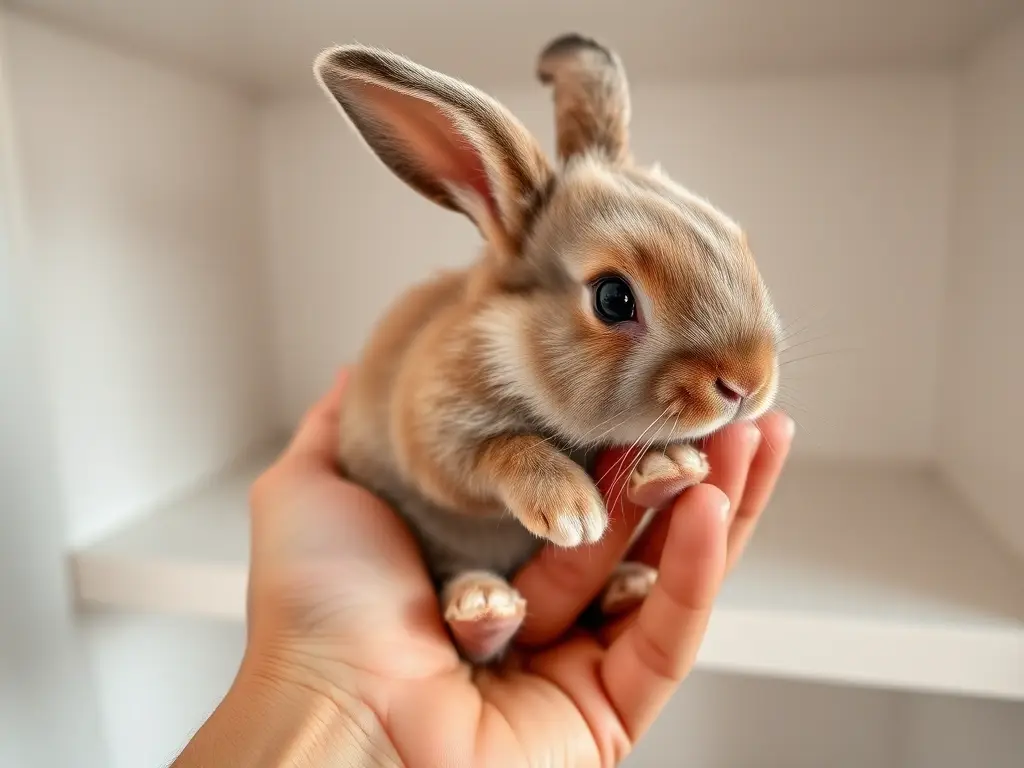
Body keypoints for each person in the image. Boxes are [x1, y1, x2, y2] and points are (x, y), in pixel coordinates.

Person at [172, 368, 794, 767]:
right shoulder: (463, 351)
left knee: (629, 518)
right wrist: (339, 693)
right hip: (439, 558)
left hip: (527, 604)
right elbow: (442, 435)